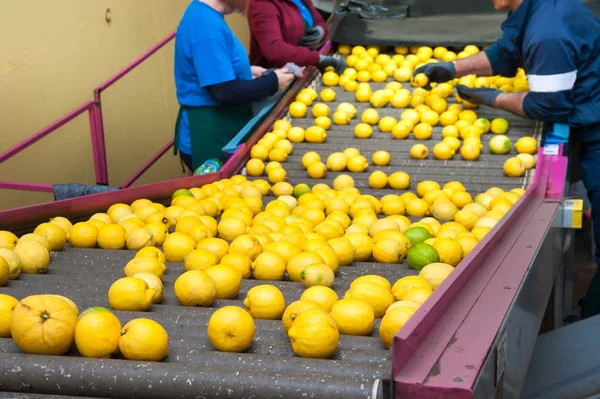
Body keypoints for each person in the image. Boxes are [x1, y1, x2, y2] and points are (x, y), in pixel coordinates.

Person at [414, 0, 600, 318]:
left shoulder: (547, 31)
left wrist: (493, 98)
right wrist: (453, 68)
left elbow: (548, 105)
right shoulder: (539, 9)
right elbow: (505, 53)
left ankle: (592, 324)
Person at [173, 0, 295, 171]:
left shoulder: (205, 14)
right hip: (211, 132)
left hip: (222, 123)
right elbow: (222, 91)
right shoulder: (206, 26)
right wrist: (271, 82)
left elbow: (210, 65)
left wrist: (244, 71)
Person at [248, 0, 345, 74]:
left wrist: (321, 31)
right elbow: (274, 50)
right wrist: (317, 58)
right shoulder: (262, 4)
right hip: (276, 78)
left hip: (303, 69)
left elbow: (318, 21)